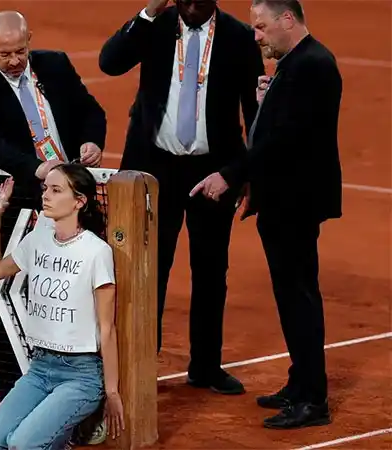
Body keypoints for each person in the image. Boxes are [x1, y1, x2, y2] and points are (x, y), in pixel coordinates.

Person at [98, 0, 264, 395]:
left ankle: (206, 366)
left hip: (213, 172)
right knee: (149, 269)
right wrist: (148, 11)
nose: (189, 6)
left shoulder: (239, 37)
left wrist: (245, 174)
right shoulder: (156, 24)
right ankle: (142, 362)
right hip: (154, 169)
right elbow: (110, 62)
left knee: (211, 270)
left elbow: (254, 111)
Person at [190, 0, 341, 429]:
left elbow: (284, 140)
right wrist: (266, 99)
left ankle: (312, 400)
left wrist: (230, 175)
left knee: (299, 298)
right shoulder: (296, 63)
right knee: (291, 297)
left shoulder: (312, 65)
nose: (255, 36)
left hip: (296, 202)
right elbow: (276, 128)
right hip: (282, 201)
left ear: (286, 19)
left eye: (261, 27)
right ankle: (300, 382)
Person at [0, 10, 107, 404]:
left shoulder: (55, 66)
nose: (14, 60)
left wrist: (92, 140)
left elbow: (91, 110)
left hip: (69, 203)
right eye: (4, 54)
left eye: (20, 51)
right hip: (16, 205)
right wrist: (37, 168)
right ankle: (11, 394)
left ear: (30, 40)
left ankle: (74, 389)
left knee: (73, 294)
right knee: (5, 298)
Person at [0, 163, 125, 450]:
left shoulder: (96, 252)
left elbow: (107, 328)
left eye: (56, 190)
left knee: (23, 444)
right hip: (40, 367)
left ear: (79, 201)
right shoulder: (37, 240)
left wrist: (111, 392)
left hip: (81, 376)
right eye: (46, 188)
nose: (46, 195)